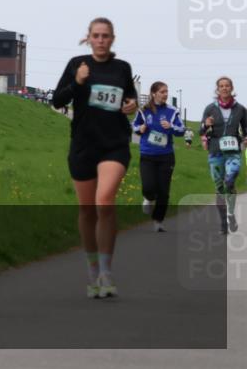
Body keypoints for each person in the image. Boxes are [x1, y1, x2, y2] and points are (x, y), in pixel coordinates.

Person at [52, 17, 137, 299]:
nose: (101, 40)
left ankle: (106, 271)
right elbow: (58, 101)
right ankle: (92, 271)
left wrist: (131, 105)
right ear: (88, 38)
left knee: (104, 200)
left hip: (114, 144)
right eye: (96, 36)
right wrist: (77, 82)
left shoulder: (122, 68)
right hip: (83, 145)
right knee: (87, 210)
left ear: (113, 39)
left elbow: (130, 98)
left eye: (105, 36)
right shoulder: (78, 64)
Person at [132, 82, 184, 232]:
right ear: (154, 93)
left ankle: (158, 221)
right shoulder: (144, 110)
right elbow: (134, 126)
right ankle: (148, 198)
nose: (165, 94)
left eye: (167, 91)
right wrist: (140, 128)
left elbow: (181, 129)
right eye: (162, 92)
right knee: (149, 187)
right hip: (147, 155)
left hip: (166, 156)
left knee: (163, 191)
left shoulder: (172, 111)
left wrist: (171, 127)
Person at [199, 77, 247, 235]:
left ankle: (231, 214)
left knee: (230, 181)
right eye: (221, 86)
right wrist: (206, 125)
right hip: (215, 151)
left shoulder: (240, 109)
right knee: (219, 188)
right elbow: (201, 131)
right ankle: (223, 223)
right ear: (217, 89)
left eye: (227, 86)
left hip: (233, 152)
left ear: (231, 88)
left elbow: (246, 129)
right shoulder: (210, 108)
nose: (224, 88)